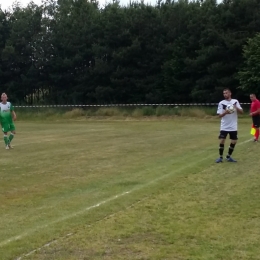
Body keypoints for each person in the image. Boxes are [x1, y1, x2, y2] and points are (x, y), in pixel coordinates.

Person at [215, 88, 243, 163]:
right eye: (224, 93)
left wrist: (236, 107)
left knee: (234, 141)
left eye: (226, 93)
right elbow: (219, 115)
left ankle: (228, 156)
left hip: (233, 126)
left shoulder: (235, 101)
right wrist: (225, 113)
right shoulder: (221, 103)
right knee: (222, 140)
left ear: (230, 93)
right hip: (224, 126)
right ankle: (220, 157)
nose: (225, 94)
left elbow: (241, 112)